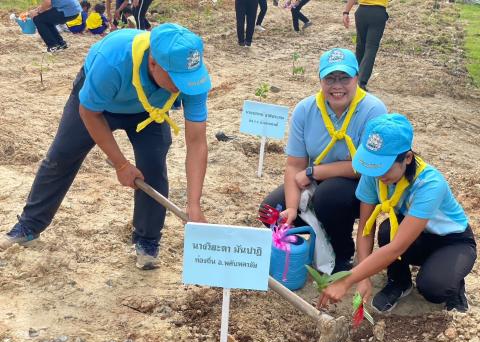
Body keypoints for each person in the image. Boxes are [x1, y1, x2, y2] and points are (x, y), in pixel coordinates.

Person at [1, 23, 212, 271]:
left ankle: (147, 241)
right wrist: (121, 164)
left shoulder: (191, 76)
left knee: (153, 168)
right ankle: (30, 225)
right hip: (98, 106)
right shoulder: (112, 60)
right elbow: (89, 113)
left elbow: (196, 142)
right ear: (153, 63)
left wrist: (194, 205)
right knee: (62, 156)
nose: (183, 86)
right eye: (176, 80)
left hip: (149, 112)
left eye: (188, 80)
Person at [317, 114, 477, 313]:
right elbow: (366, 228)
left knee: (433, 288)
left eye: (383, 167)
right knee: (386, 231)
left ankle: (453, 279)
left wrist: (347, 280)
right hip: (417, 236)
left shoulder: (429, 184)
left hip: (452, 241)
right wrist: (363, 278)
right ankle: (399, 281)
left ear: (407, 158)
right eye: (372, 164)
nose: (377, 173)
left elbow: (397, 248)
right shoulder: (373, 174)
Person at [260, 48, 387, 273]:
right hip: (315, 179)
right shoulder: (305, 110)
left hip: (359, 184)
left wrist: (315, 172)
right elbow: (294, 165)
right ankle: (315, 243)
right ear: (320, 80)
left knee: (329, 196)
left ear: (357, 78)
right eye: (330, 78)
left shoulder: (373, 110)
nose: (337, 86)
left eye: (344, 78)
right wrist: (291, 208)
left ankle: (342, 253)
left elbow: (370, 166)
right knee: (271, 209)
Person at [343, 0, 389, 90]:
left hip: (362, 12)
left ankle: (353, 77)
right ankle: (362, 81)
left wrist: (346, 12)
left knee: (360, 47)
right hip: (378, 12)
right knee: (371, 48)